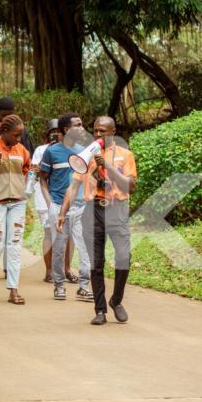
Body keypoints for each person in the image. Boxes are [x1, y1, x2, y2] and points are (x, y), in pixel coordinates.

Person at [57, 116, 137, 325]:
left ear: (113, 132)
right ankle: (100, 309)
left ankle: (116, 301)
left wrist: (108, 167)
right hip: (93, 211)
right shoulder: (87, 156)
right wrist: (62, 213)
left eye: (103, 131)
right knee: (96, 263)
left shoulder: (125, 155)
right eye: (95, 131)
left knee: (123, 259)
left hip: (117, 210)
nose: (98, 135)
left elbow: (132, 186)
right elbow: (73, 187)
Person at [0, 114, 31, 305]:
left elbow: (27, 169)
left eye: (20, 136)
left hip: (18, 202)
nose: (18, 139)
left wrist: (26, 184)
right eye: (15, 135)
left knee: (15, 244)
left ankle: (13, 289)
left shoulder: (21, 149)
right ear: (4, 131)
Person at [40, 118, 93, 303]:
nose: (82, 128)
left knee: (85, 248)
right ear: (66, 129)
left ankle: (84, 287)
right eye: (77, 125)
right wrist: (50, 205)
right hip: (58, 206)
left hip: (80, 207)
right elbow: (43, 179)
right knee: (60, 249)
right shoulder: (51, 151)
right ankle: (59, 285)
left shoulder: (83, 152)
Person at [31, 119, 60, 283]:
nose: (55, 134)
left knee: (66, 233)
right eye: (52, 131)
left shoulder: (68, 149)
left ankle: (65, 269)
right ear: (47, 134)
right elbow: (34, 171)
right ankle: (49, 271)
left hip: (63, 196)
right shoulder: (41, 150)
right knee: (49, 232)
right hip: (44, 196)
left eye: (58, 131)